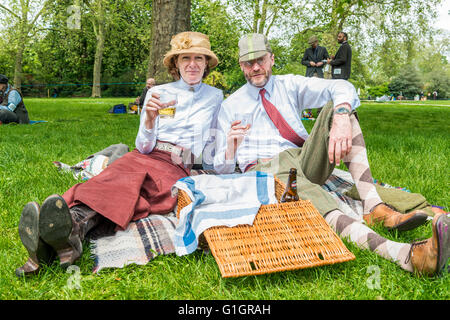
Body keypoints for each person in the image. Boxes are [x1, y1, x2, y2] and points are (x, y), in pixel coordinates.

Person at [213, 33, 449, 276]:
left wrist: (341, 117)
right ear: (241, 66)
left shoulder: (289, 85)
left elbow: (342, 86)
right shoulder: (230, 106)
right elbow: (219, 168)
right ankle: (406, 255)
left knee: (338, 108)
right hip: (266, 167)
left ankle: (374, 206)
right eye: (248, 63)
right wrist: (231, 145)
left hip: (303, 156)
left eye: (260, 60)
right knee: (316, 197)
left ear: (271, 59)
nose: (255, 68)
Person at [15, 31, 223, 277]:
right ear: (175, 64)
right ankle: (70, 230)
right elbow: (143, 146)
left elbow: (213, 145)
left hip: (176, 164)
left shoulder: (215, 97)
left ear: (207, 63)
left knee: (138, 188)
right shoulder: (159, 93)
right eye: (185, 58)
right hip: (145, 154)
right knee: (113, 179)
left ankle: (55, 237)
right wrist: (148, 119)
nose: (192, 64)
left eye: (199, 58)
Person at [301, 35, 330, 117]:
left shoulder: (323, 49)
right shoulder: (307, 50)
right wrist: (309, 63)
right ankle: (309, 113)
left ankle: (320, 113)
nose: (312, 45)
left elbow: (327, 59)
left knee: (320, 92)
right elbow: (303, 61)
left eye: (313, 43)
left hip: (319, 73)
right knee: (309, 93)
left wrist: (322, 62)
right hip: (310, 74)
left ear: (317, 42)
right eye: (311, 44)